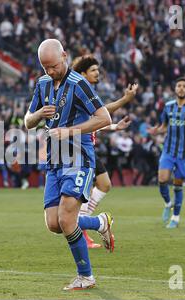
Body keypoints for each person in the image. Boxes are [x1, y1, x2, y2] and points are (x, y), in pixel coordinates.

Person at [24, 39, 113, 290]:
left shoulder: (79, 84)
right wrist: (38, 115)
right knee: (54, 223)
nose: (49, 72)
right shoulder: (42, 84)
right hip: (54, 160)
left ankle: (86, 276)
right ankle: (100, 222)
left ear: (64, 56)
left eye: (53, 66)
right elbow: (27, 121)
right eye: (44, 68)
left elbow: (104, 117)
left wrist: (70, 131)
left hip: (79, 159)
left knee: (65, 218)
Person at [72, 55, 137, 248]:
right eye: (93, 70)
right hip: (78, 150)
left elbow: (95, 119)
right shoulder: (80, 90)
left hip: (87, 148)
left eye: (97, 69)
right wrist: (125, 99)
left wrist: (114, 127)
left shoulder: (85, 90)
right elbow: (102, 111)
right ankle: (86, 227)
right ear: (83, 74)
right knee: (82, 193)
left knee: (104, 184)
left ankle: (87, 223)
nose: (97, 73)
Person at [148, 77, 185, 228]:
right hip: (168, 150)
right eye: (179, 85)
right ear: (175, 89)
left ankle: (175, 217)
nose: (181, 88)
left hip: (184, 154)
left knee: (178, 184)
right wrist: (156, 131)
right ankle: (168, 204)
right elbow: (164, 126)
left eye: (184, 86)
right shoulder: (168, 107)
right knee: (162, 178)